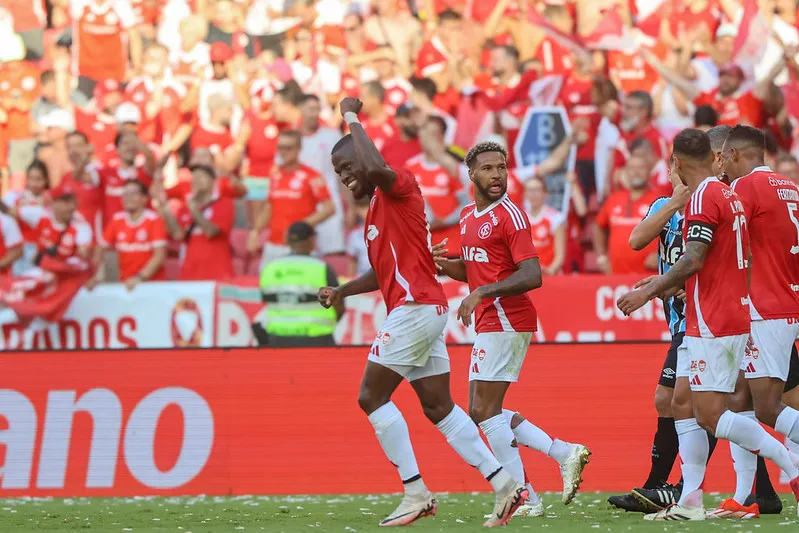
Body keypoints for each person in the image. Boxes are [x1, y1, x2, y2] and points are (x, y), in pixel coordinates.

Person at [318, 97, 528, 527]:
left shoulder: (401, 184)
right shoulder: (377, 210)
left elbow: (377, 168)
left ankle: (416, 492)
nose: (343, 179)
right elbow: (383, 273)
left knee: (370, 397)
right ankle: (507, 486)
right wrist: (342, 291)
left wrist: (352, 117)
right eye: (338, 173)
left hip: (414, 311)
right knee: (439, 408)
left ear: (364, 159)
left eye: (346, 168)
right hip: (423, 310)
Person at [616, 128, 799, 521]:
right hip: (747, 308)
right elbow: (734, 254)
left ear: (679, 163)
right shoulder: (748, 192)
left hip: (727, 314)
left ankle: (790, 467)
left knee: (727, 412)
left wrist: (653, 289)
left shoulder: (717, 194)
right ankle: (703, 499)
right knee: (706, 403)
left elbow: (697, 257)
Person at [433, 140, 591, 518]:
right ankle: (562, 453)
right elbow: (475, 269)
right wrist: (442, 265)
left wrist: (482, 292)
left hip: (507, 317)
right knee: (482, 409)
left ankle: (524, 497)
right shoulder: (469, 215)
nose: (497, 175)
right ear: (471, 173)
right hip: (491, 316)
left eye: (501, 168)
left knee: (484, 411)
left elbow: (532, 273)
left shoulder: (511, 215)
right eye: (488, 168)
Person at [712, 125, 799, 518]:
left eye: (723, 159)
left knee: (767, 408)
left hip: (766, 309)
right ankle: (746, 495)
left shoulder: (746, 188)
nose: (722, 170)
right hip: (786, 300)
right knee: (739, 398)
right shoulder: (789, 186)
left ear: (734, 155)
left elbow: (722, 236)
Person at [249, 130, 335, 266]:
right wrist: (256, 231)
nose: (283, 152)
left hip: (300, 245)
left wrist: (300, 227)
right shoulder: (274, 174)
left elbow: (330, 208)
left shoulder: (312, 176)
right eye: (280, 147)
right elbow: (269, 206)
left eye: (288, 148)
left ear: (298, 149)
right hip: (273, 245)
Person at [258, 222, 343, 347]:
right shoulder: (321, 268)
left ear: (287, 240)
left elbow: (265, 299)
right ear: (311, 240)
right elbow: (339, 305)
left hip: (277, 338)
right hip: (317, 337)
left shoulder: (270, 267)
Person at [160, 164, 234, 281]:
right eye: (194, 177)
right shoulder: (185, 208)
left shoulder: (224, 204)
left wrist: (194, 210)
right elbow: (178, 234)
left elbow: (211, 232)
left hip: (217, 272)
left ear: (213, 181)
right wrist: (166, 211)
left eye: (201, 177)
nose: (196, 181)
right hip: (190, 272)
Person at [91, 180, 167, 290]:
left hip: (152, 286)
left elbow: (159, 256)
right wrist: (98, 276)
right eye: (125, 193)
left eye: (133, 193)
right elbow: (100, 249)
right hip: (126, 286)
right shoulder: (117, 219)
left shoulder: (154, 220)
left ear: (144, 198)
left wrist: (139, 278)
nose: (128, 197)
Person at [593, 155, 660, 275]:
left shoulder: (659, 201)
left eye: (641, 168)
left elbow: (676, 231)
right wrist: (601, 258)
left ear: (649, 171)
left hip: (650, 279)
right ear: (626, 172)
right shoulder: (614, 199)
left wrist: (661, 254)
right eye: (632, 168)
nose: (636, 172)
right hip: (616, 278)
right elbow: (598, 226)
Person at [525, 177, 566, 276]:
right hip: (527, 277)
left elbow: (560, 255)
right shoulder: (521, 218)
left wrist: (550, 270)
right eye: (530, 190)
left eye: (537, 190)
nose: (533, 194)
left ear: (545, 194)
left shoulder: (555, 218)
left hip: (549, 275)